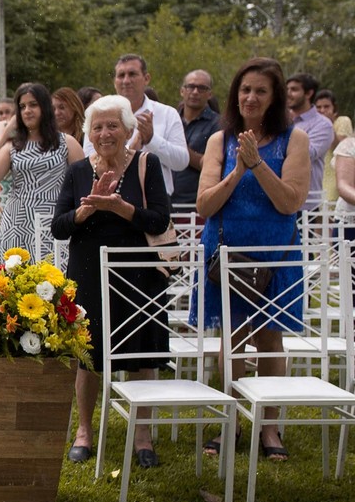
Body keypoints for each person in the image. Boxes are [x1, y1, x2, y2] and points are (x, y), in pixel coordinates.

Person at [195, 57, 309, 461]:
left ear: (275, 96)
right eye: (245, 90)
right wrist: (237, 169)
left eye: (261, 90)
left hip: (275, 254)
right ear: (235, 95)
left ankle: (270, 428)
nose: (251, 97)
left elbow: (290, 201)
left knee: (270, 339)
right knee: (232, 340)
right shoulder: (218, 141)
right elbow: (205, 204)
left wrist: (258, 165)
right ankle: (228, 424)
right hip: (224, 254)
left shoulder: (294, 140)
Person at [52, 94, 172, 468]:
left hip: (139, 275)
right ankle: (84, 431)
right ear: (89, 132)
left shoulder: (146, 165)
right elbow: (58, 227)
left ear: (127, 129)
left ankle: (142, 436)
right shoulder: (76, 172)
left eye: (113, 125)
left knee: (140, 355)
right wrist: (86, 210)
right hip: (87, 272)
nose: (105, 133)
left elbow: (159, 221)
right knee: (87, 357)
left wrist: (122, 208)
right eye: (98, 127)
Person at [0, 83, 84, 262]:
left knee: (54, 282)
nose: (27, 110)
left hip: (53, 222)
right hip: (16, 223)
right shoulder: (12, 147)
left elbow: (83, 186)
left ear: (45, 107)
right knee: (15, 283)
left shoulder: (67, 143)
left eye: (33, 105)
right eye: (22, 106)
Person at [91, 54, 189, 197]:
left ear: (146, 78)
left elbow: (181, 162)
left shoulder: (167, 113)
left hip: (155, 200)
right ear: (114, 81)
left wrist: (152, 140)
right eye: (121, 75)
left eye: (132, 74)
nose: (126, 80)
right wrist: (130, 151)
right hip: (109, 197)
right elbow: (89, 159)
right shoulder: (98, 114)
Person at [285, 72, 334, 211]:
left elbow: (306, 154)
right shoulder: (281, 122)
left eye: (294, 90)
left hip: (306, 206)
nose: (288, 94)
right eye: (287, 89)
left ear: (308, 93)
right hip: (278, 202)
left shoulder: (323, 124)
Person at [173, 70, 221, 207]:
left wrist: (180, 150)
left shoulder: (219, 125)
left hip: (194, 205)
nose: (195, 92)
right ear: (182, 91)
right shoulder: (170, 119)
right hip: (165, 202)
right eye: (190, 87)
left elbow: (213, 164)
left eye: (201, 88)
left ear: (209, 94)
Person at [314, 89, 352, 204]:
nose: (322, 110)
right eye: (319, 107)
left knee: (329, 207)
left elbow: (341, 147)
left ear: (333, 107)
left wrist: (328, 124)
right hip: (319, 176)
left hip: (336, 174)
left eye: (326, 107)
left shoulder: (342, 121)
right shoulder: (314, 126)